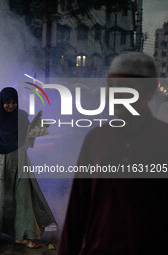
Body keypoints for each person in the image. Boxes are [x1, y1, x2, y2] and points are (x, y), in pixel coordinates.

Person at [58, 52, 168, 255]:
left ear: (149, 90)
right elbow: (77, 211)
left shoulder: (164, 139)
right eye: (111, 86)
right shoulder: (96, 138)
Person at [0, 87, 56, 248]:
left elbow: (28, 140)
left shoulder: (21, 117)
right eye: (7, 102)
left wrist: (37, 131)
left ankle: (22, 236)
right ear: (1, 102)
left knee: (24, 199)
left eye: (14, 102)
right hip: (0, 167)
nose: (11, 106)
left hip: (20, 162)